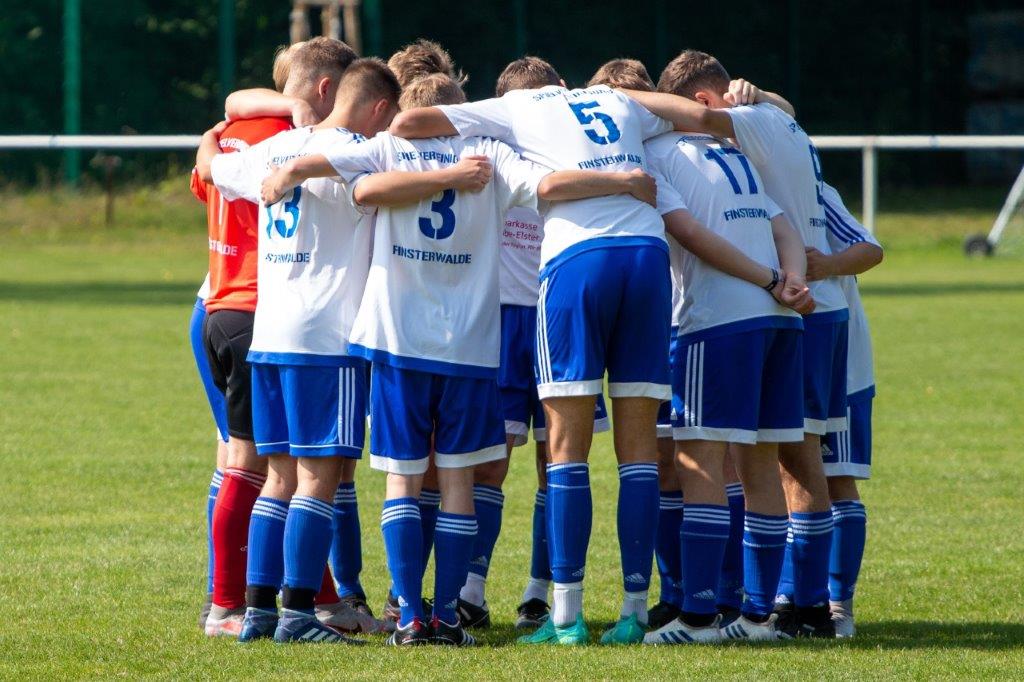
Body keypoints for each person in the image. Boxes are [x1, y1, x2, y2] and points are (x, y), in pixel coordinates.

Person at [261, 69, 660, 646]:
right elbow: (550, 187)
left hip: (397, 339)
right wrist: (621, 181)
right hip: (469, 343)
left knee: (402, 480)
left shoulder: (389, 148)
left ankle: (407, 616)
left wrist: (292, 169)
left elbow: (351, 181)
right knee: (457, 483)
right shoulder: (489, 154)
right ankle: (448, 615)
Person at [621, 49, 847, 638]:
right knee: (759, 463)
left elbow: (691, 235)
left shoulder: (658, 154)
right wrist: (791, 282)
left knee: (699, 460)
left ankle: (698, 616)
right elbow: (783, 226)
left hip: (717, 320)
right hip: (782, 323)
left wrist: (769, 279)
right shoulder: (733, 152)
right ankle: (756, 615)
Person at [196, 58, 401, 643]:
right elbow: (386, 166)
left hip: (269, 336)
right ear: (380, 108)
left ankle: (260, 611)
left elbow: (212, 169)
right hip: (326, 339)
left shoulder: (276, 147)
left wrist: (212, 140)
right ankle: (299, 615)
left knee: (279, 479)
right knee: (320, 480)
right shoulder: (366, 150)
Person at [456, 59, 611, 633]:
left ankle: (536, 593)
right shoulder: (488, 148)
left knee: (554, 462)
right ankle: (477, 590)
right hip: (506, 318)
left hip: (553, 308)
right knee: (502, 462)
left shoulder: (572, 148)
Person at [190, 40, 340, 636]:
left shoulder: (231, 131)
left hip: (214, 306)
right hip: (262, 311)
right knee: (264, 466)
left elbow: (206, 171)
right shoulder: (296, 140)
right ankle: (228, 605)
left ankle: (300, 598)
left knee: (255, 463)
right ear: (324, 88)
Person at [801, 183, 882, 638]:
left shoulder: (815, 191)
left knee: (837, 477)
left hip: (843, 365)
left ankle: (838, 606)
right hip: (786, 356)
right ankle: (786, 599)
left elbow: (870, 249)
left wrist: (827, 265)